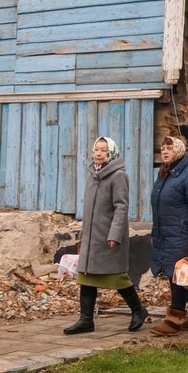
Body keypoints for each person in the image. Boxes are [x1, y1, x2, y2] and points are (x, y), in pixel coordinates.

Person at [64, 136, 148, 335]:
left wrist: (115, 234)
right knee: (86, 277)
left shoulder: (118, 175)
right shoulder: (92, 174)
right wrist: (83, 235)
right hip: (92, 236)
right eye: (96, 150)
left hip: (109, 237)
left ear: (111, 153)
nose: (99, 153)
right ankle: (86, 320)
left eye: (103, 150)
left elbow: (121, 206)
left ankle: (138, 310)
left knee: (117, 277)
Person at [149, 135, 188, 337]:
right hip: (167, 233)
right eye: (162, 148)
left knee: (178, 275)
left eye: (169, 148)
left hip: (183, 234)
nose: (165, 151)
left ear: (179, 150)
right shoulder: (166, 173)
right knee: (185, 275)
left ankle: (174, 320)